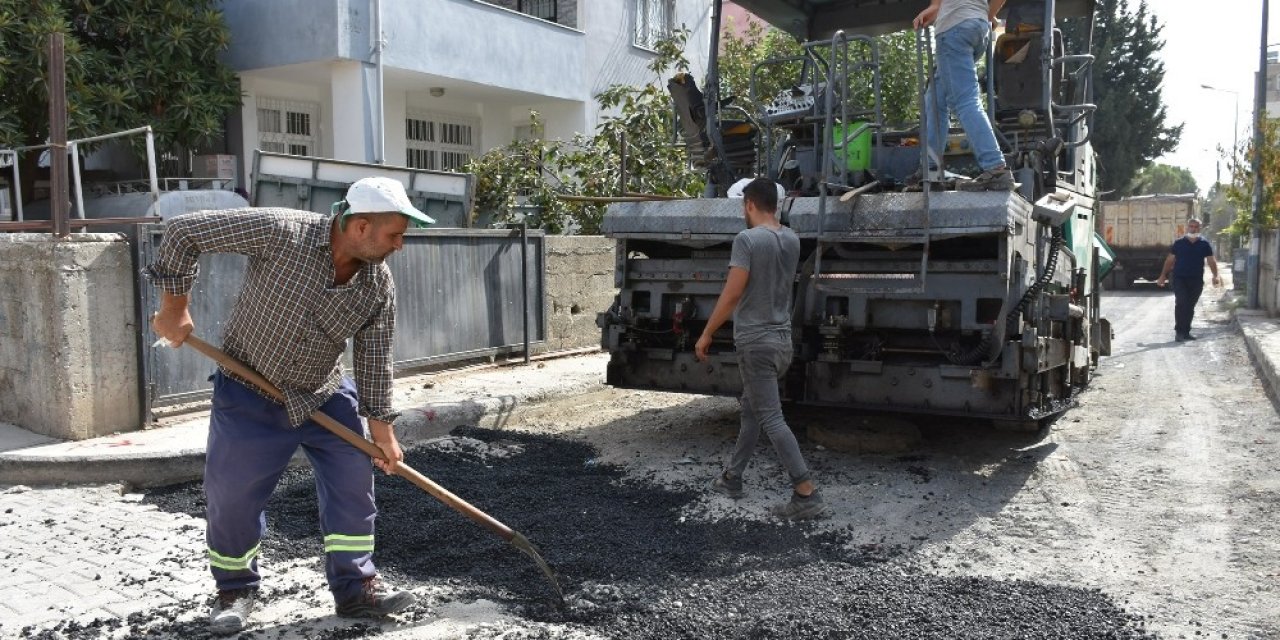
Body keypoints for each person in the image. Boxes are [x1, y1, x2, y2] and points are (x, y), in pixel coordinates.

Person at [148, 176, 435, 635]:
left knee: (353, 489)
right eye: (395, 235)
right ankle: (235, 590)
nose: (400, 246)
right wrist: (174, 306)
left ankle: (356, 590)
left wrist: (382, 434)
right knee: (233, 497)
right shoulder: (282, 231)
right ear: (360, 226)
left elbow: (375, 358)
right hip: (249, 392)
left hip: (323, 394)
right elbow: (184, 232)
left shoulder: (377, 285)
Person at [695, 177, 825, 520]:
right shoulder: (792, 239)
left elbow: (733, 292)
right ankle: (732, 478)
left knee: (771, 417)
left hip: (755, 344)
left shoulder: (747, 240)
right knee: (752, 410)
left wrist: (707, 332)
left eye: (743, 206)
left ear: (749, 204)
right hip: (782, 343)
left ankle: (805, 492)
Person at [913, 0, 1014, 191]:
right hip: (978, 28)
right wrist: (987, 13)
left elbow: (939, 4)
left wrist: (934, 8)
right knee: (935, 98)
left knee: (965, 100)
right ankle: (931, 168)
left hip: (954, 29)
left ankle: (995, 168)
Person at [1156, 218, 1221, 342]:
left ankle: (1186, 332)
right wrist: (1163, 275)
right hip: (1180, 278)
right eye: (1191, 226)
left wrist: (1215, 275)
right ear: (1187, 227)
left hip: (1196, 279)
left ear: (1199, 228)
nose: (1193, 228)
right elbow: (1170, 260)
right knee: (1181, 303)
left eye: (1196, 226)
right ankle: (1179, 332)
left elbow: (1211, 260)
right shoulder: (1179, 243)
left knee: (1190, 306)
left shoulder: (1204, 244)